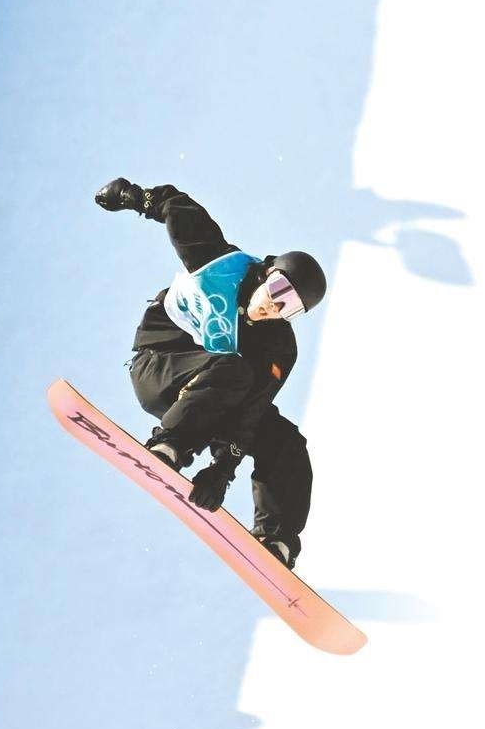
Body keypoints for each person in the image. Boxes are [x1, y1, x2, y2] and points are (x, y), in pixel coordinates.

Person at [94, 177, 327, 570]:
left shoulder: (279, 349)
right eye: (277, 290)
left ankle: (276, 540)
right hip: (159, 367)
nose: (274, 307)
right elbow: (176, 205)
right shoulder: (219, 263)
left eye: (290, 308)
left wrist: (222, 470)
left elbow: (250, 414)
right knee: (235, 369)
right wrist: (132, 196)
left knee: (285, 441)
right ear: (267, 272)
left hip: (214, 400)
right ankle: (170, 445)